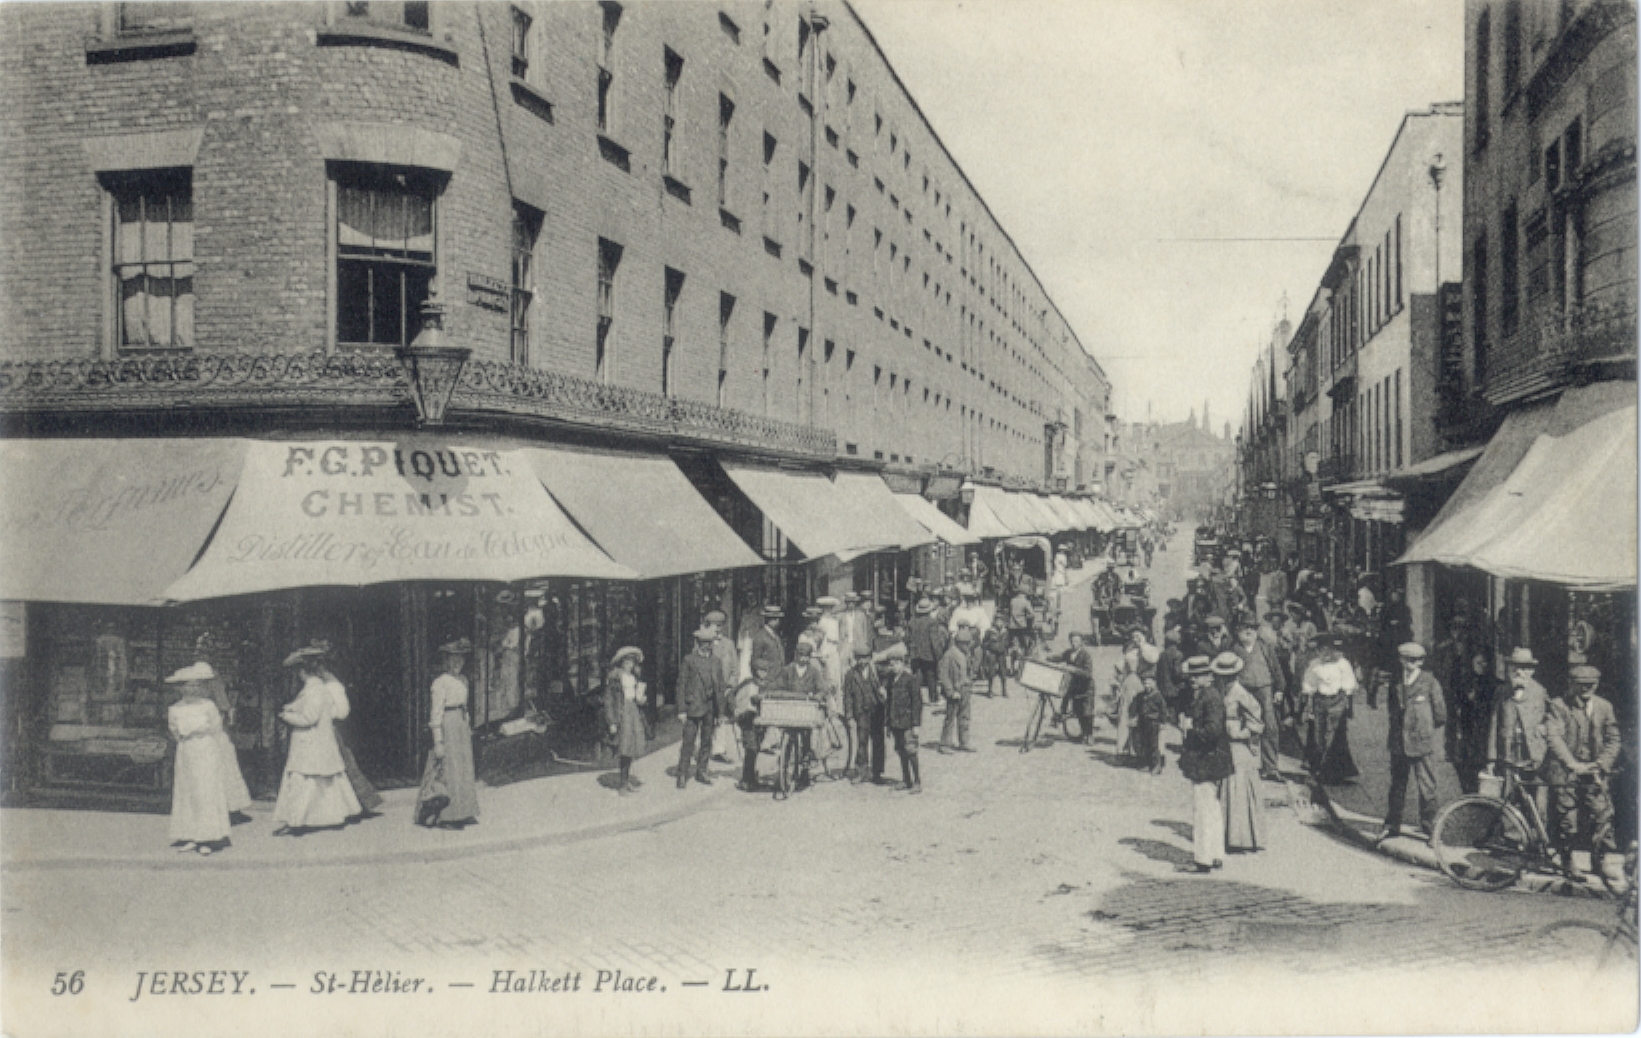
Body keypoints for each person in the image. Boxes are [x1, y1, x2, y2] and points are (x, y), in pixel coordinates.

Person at [1543, 665, 1622, 879]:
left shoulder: (1604, 707)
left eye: (1591, 685)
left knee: (1602, 814)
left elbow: (1614, 739)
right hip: (1566, 771)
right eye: (1581, 685)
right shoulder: (1559, 706)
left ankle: (1599, 861)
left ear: (1597, 685)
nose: (1586, 689)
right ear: (1571, 684)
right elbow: (1554, 737)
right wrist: (1572, 764)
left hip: (1594, 771)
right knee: (1567, 817)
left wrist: (1601, 764)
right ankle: (1568, 861)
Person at [276, 648, 362, 834]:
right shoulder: (316, 689)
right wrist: (291, 707)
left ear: (303, 671)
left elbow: (309, 718)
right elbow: (307, 707)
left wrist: (286, 717)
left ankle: (297, 822)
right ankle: (329, 817)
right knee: (322, 782)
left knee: (304, 782)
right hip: (319, 743)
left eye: (298, 671)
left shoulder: (314, 690)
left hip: (310, 744)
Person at [1377, 642, 1446, 842]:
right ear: (1401, 660)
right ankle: (1392, 825)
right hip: (1399, 742)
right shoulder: (1396, 682)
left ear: (1421, 662)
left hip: (1421, 743)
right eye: (1407, 660)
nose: (1411, 664)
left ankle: (1430, 827)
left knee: (1427, 787)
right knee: (1397, 786)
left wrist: (1423, 729)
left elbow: (1440, 714)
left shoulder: (1429, 682)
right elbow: (1392, 710)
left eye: (1415, 661)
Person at [164, 664, 233, 856]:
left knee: (205, 791)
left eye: (196, 685)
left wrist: (210, 749)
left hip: (206, 749)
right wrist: (187, 741)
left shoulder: (208, 706)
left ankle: (207, 838)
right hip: (186, 751)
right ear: (181, 688)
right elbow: (175, 731)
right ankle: (190, 835)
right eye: (188, 686)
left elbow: (216, 729)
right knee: (188, 792)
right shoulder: (175, 709)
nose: (192, 689)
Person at [306, 644, 381, 817]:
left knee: (342, 768)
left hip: (331, 731)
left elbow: (342, 711)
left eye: (317, 666)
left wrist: (325, 713)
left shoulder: (333, 685)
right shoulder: (316, 685)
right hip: (319, 730)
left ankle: (357, 804)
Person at [415, 639, 479, 829]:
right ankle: (447, 816)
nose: (457, 663)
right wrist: (439, 742)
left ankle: (464, 810)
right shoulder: (440, 682)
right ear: (446, 660)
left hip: (461, 725)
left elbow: (465, 705)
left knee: (463, 769)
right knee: (449, 770)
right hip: (448, 725)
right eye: (453, 659)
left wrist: (467, 725)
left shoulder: (464, 680)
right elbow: (436, 714)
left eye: (461, 659)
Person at [1177, 656, 1232, 873]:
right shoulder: (1206, 695)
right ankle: (1216, 854)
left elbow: (1213, 731)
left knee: (1202, 811)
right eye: (1191, 675)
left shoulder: (1210, 697)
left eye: (1197, 675)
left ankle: (1203, 859)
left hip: (1207, 760)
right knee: (1212, 809)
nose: (1193, 679)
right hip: (1210, 760)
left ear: (1208, 676)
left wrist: (1190, 728)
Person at [191, 634, 253, 821]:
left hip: (195, 724)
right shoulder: (212, 675)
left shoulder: (189, 674)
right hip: (214, 724)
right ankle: (229, 807)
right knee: (225, 764)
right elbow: (223, 704)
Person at [1217, 653, 1266, 852]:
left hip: (1239, 748)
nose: (1226, 679)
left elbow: (1257, 722)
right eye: (1223, 676)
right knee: (1227, 787)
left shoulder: (1241, 694)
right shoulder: (1223, 691)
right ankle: (1227, 834)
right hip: (1225, 745)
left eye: (1229, 676)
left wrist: (1240, 733)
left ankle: (1242, 837)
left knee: (1238, 787)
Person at [1300, 633, 1359, 785]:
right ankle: (1317, 768)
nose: (1325, 653)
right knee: (1318, 736)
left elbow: (1349, 686)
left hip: (1337, 701)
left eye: (1328, 650)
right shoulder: (1314, 665)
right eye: (1321, 650)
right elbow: (1308, 685)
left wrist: (1348, 707)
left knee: (1333, 736)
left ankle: (1331, 771)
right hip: (1320, 702)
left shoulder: (1342, 664)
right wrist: (1306, 705)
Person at [1233, 612, 1284, 781]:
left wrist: (1279, 690)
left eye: (1252, 628)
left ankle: (1270, 768)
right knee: (1241, 727)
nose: (1249, 631)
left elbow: (1276, 669)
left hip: (1264, 689)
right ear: (1238, 630)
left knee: (1270, 727)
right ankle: (1240, 768)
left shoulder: (1265, 647)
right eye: (1245, 627)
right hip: (1242, 690)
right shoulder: (1233, 649)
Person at [1447, 649, 1498, 794]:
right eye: (1478, 663)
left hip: (1486, 735)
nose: (1482, 666)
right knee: (1466, 773)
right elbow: (1456, 711)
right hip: (1468, 736)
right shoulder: (1464, 684)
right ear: (1471, 663)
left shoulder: (1495, 684)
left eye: (1485, 662)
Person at [676, 627, 720, 789]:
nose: (706, 646)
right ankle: (682, 773)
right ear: (697, 643)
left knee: (707, 741)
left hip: (710, 707)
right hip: (692, 706)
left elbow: (720, 688)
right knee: (688, 741)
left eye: (709, 643)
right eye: (703, 643)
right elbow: (681, 685)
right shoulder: (689, 660)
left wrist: (721, 712)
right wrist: (681, 710)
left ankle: (702, 771)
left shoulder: (716, 661)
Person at [603, 646, 647, 795]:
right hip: (621, 713)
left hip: (633, 711)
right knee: (624, 748)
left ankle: (626, 781)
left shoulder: (634, 677)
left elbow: (636, 696)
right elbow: (608, 700)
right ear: (621, 663)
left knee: (631, 748)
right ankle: (622, 785)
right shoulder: (615, 677)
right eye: (627, 662)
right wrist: (611, 721)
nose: (629, 665)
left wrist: (641, 699)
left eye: (632, 662)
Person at [842, 644, 886, 784]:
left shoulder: (876, 671)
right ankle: (861, 772)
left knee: (878, 741)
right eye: (859, 658)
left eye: (865, 658)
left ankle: (877, 773)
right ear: (856, 659)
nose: (862, 661)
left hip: (877, 710)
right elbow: (847, 696)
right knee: (862, 741)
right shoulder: (850, 674)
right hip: (861, 712)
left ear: (870, 658)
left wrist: (884, 688)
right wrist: (849, 715)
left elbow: (891, 675)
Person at [884, 645, 923, 793]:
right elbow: (889, 703)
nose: (893, 667)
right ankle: (906, 779)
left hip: (907, 722)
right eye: (891, 664)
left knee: (911, 750)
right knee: (901, 751)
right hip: (895, 722)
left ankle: (917, 782)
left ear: (902, 663)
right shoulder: (890, 680)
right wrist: (888, 724)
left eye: (896, 663)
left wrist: (916, 724)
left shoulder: (910, 680)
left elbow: (917, 703)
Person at [704, 610, 741, 766]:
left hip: (724, 690)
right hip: (708, 689)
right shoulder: (703, 643)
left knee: (722, 720)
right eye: (715, 626)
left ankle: (719, 750)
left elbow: (735, 669)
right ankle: (704, 748)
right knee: (706, 719)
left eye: (720, 626)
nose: (718, 629)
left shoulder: (729, 644)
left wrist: (731, 685)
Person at [1049, 632, 1096, 745]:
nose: (1074, 643)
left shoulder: (1085, 655)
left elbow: (1088, 673)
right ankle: (1083, 734)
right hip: (1075, 688)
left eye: (1076, 641)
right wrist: (1047, 658)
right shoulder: (1068, 653)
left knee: (1087, 713)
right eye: (1072, 641)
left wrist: (1073, 669)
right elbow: (1058, 658)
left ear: (1081, 642)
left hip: (1086, 688)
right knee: (1078, 712)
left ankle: (1089, 735)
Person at [732, 661, 769, 792]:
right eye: (760, 670)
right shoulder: (748, 683)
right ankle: (746, 780)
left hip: (760, 721)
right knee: (751, 749)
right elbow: (734, 696)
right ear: (755, 671)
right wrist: (736, 710)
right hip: (747, 720)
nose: (763, 673)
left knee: (756, 748)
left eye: (765, 671)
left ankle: (751, 778)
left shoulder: (766, 685)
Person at [906, 598, 949, 707]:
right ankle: (933, 698)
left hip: (914, 652)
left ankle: (915, 699)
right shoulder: (932, 622)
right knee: (931, 676)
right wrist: (939, 654)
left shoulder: (912, 621)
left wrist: (909, 650)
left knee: (917, 676)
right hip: (928, 653)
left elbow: (907, 638)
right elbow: (934, 640)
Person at [938, 627, 973, 754]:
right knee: (950, 718)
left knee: (965, 716)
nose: (968, 646)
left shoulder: (966, 654)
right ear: (959, 643)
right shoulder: (949, 654)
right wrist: (950, 691)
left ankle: (964, 742)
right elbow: (943, 675)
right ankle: (945, 744)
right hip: (955, 691)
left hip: (965, 689)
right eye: (966, 644)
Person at [750, 606, 787, 688]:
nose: (778, 621)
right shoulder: (760, 636)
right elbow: (755, 660)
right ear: (768, 619)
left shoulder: (775, 636)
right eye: (775, 618)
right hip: (767, 679)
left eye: (778, 618)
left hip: (778, 678)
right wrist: (765, 673)